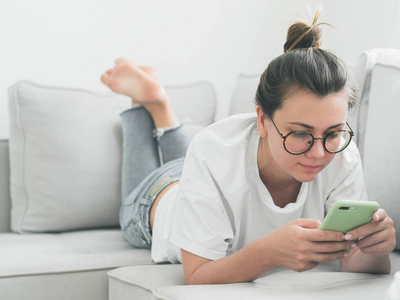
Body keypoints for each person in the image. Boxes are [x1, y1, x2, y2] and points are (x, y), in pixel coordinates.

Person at [101, 11, 396, 285]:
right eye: (299, 134)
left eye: (332, 133)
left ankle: (159, 105)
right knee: (147, 186)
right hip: (159, 199)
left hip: (199, 180)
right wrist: (269, 252)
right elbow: (197, 276)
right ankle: (149, 103)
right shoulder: (213, 150)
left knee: (187, 161)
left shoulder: (342, 152)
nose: (319, 153)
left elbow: (357, 264)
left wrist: (376, 247)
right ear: (262, 120)